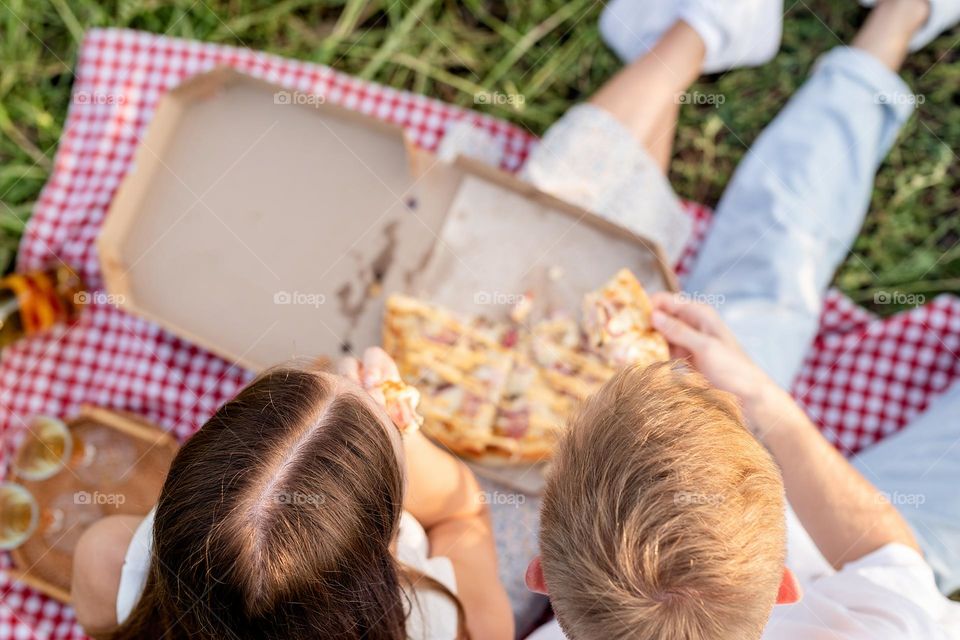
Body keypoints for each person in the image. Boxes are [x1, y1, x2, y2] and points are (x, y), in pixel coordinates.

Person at [521, 0, 960, 637]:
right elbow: (885, 555)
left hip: (764, 556)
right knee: (781, 246)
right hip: (856, 550)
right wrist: (764, 403)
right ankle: (898, 17)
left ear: (541, 582)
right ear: (786, 586)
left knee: (771, 257)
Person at [69, 349, 514, 640]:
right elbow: (462, 515)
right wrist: (406, 436)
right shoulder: (458, 625)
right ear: (384, 548)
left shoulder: (110, 563)